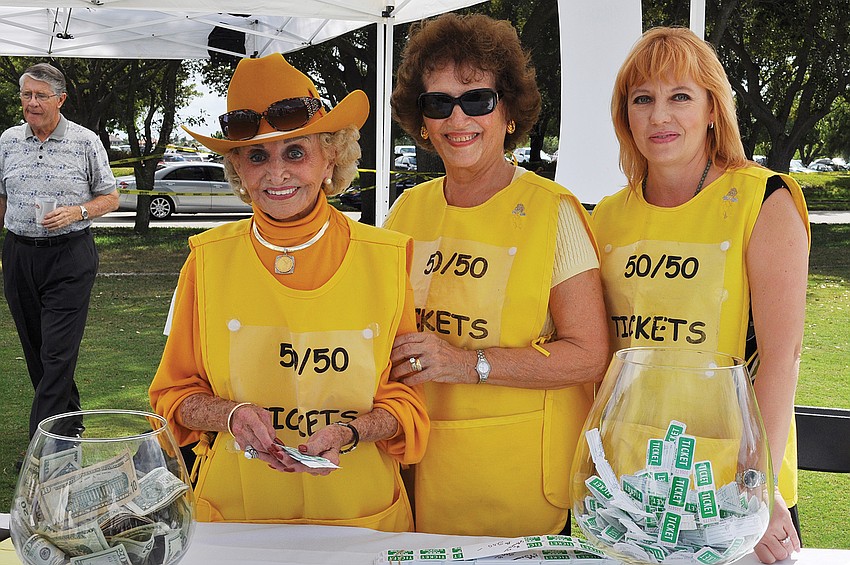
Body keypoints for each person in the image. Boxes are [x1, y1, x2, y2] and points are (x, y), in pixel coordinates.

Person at [148, 53, 428, 530]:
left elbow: (406, 403)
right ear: (238, 168)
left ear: (330, 157)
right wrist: (230, 414)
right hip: (239, 517)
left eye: (295, 151)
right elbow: (173, 396)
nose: (276, 173)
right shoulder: (208, 259)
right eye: (257, 155)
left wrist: (353, 431)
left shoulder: (385, 257)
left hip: (359, 517)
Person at [385, 13, 610, 537]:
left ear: (508, 110)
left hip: (519, 477)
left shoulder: (553, 211)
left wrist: (465, 365)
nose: (456, 117)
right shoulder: (405, 211)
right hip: (418, 465)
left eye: (477, 99)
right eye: (437, 102)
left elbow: (589, 353)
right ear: (422, 121)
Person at [592, 27, 809, 564]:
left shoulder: (764, 199)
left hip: (730, 491)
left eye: (680, 97)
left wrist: (756, 492)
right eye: (643, 100)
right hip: (630, 489)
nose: (660, 117)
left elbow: (783, 359)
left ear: (713, 109)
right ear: (626, 117)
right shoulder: (606, 217)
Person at [0, 62, 118, 441]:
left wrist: (78, 211)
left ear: (60, 99)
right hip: (18, 254)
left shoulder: (85, 141)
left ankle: (44, 447)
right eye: (26, 94)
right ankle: (69, 423)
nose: (32, 103)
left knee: (57, 354)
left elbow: (111, 196)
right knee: (37, 351)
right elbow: (1, 197)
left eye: (40, 95)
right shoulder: (7, 141)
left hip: (69, 256)